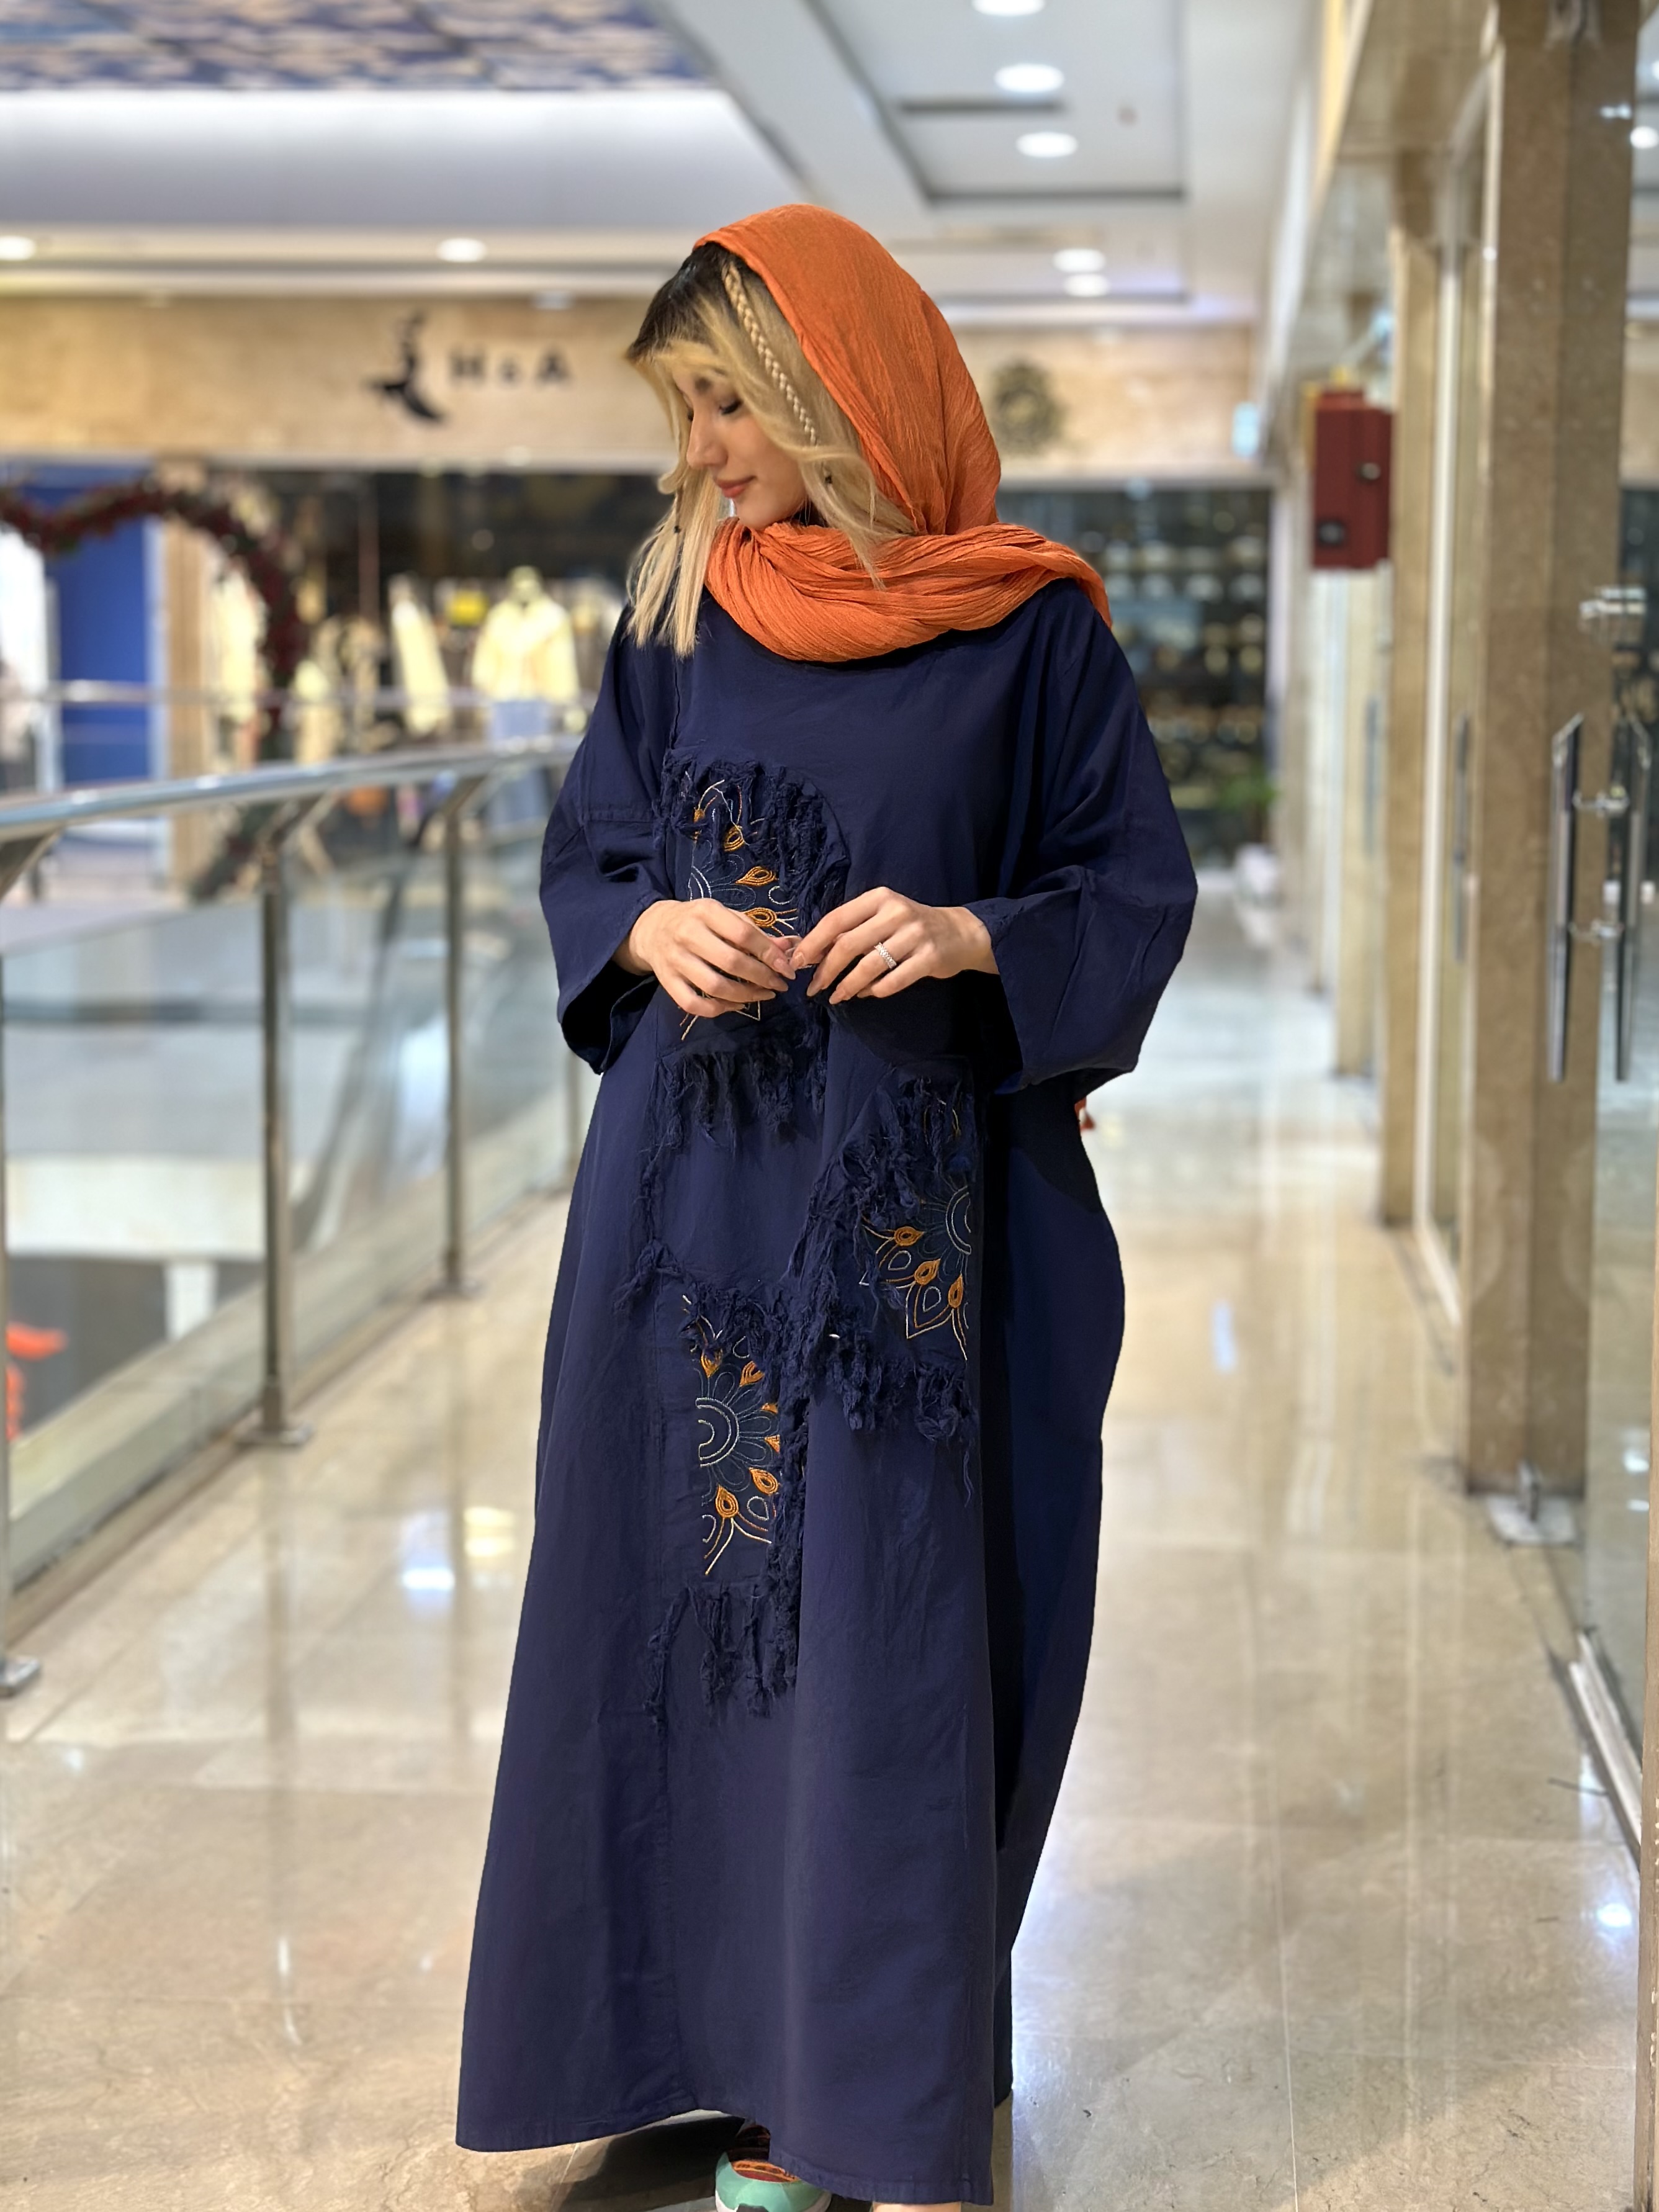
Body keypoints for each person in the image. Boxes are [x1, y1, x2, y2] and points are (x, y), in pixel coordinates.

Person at [456, 205, 1197, 2212]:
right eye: (684, 411)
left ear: (833, 390)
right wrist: (649, 924)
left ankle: (856, 2086)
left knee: (885, 1629)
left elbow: (1127, 888)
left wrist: (969, 930)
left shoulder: (1030, 630)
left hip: (913, 1221)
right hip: (687, 1205)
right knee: (670, 1598)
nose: (699, 452)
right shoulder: (678, 613)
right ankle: (668, 2034)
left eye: (726, 404)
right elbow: (595, 850)